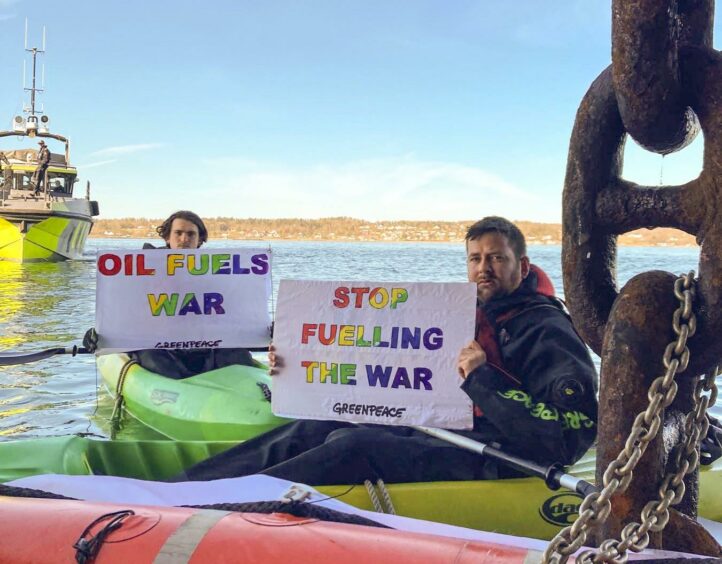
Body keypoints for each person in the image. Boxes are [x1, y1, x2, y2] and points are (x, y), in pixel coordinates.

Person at [176, 216, 598, 485]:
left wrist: (482, 379)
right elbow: (381, 357)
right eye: (474, 259)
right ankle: (187, 487)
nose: (483, 268)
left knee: (353, 446)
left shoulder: (548, 330)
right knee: (319, 424)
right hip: (452, 430)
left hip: (502, 458)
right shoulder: (460, 314)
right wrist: (299, 360)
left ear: (522, 267)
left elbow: (570, 436)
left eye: (496, 258)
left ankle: (231, 506)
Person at [84, 210, 256, 378]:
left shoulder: (220, 276)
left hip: (206, 350)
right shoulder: (139, 274)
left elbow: (236, 315)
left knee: (239, 355)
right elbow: (124, 311)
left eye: (191, 234)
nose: (184, 239)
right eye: (178, 233)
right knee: (155, 360)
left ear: (200, 240)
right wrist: (101, 334)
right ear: (167, 237)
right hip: (159, 350)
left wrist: (261, 331)